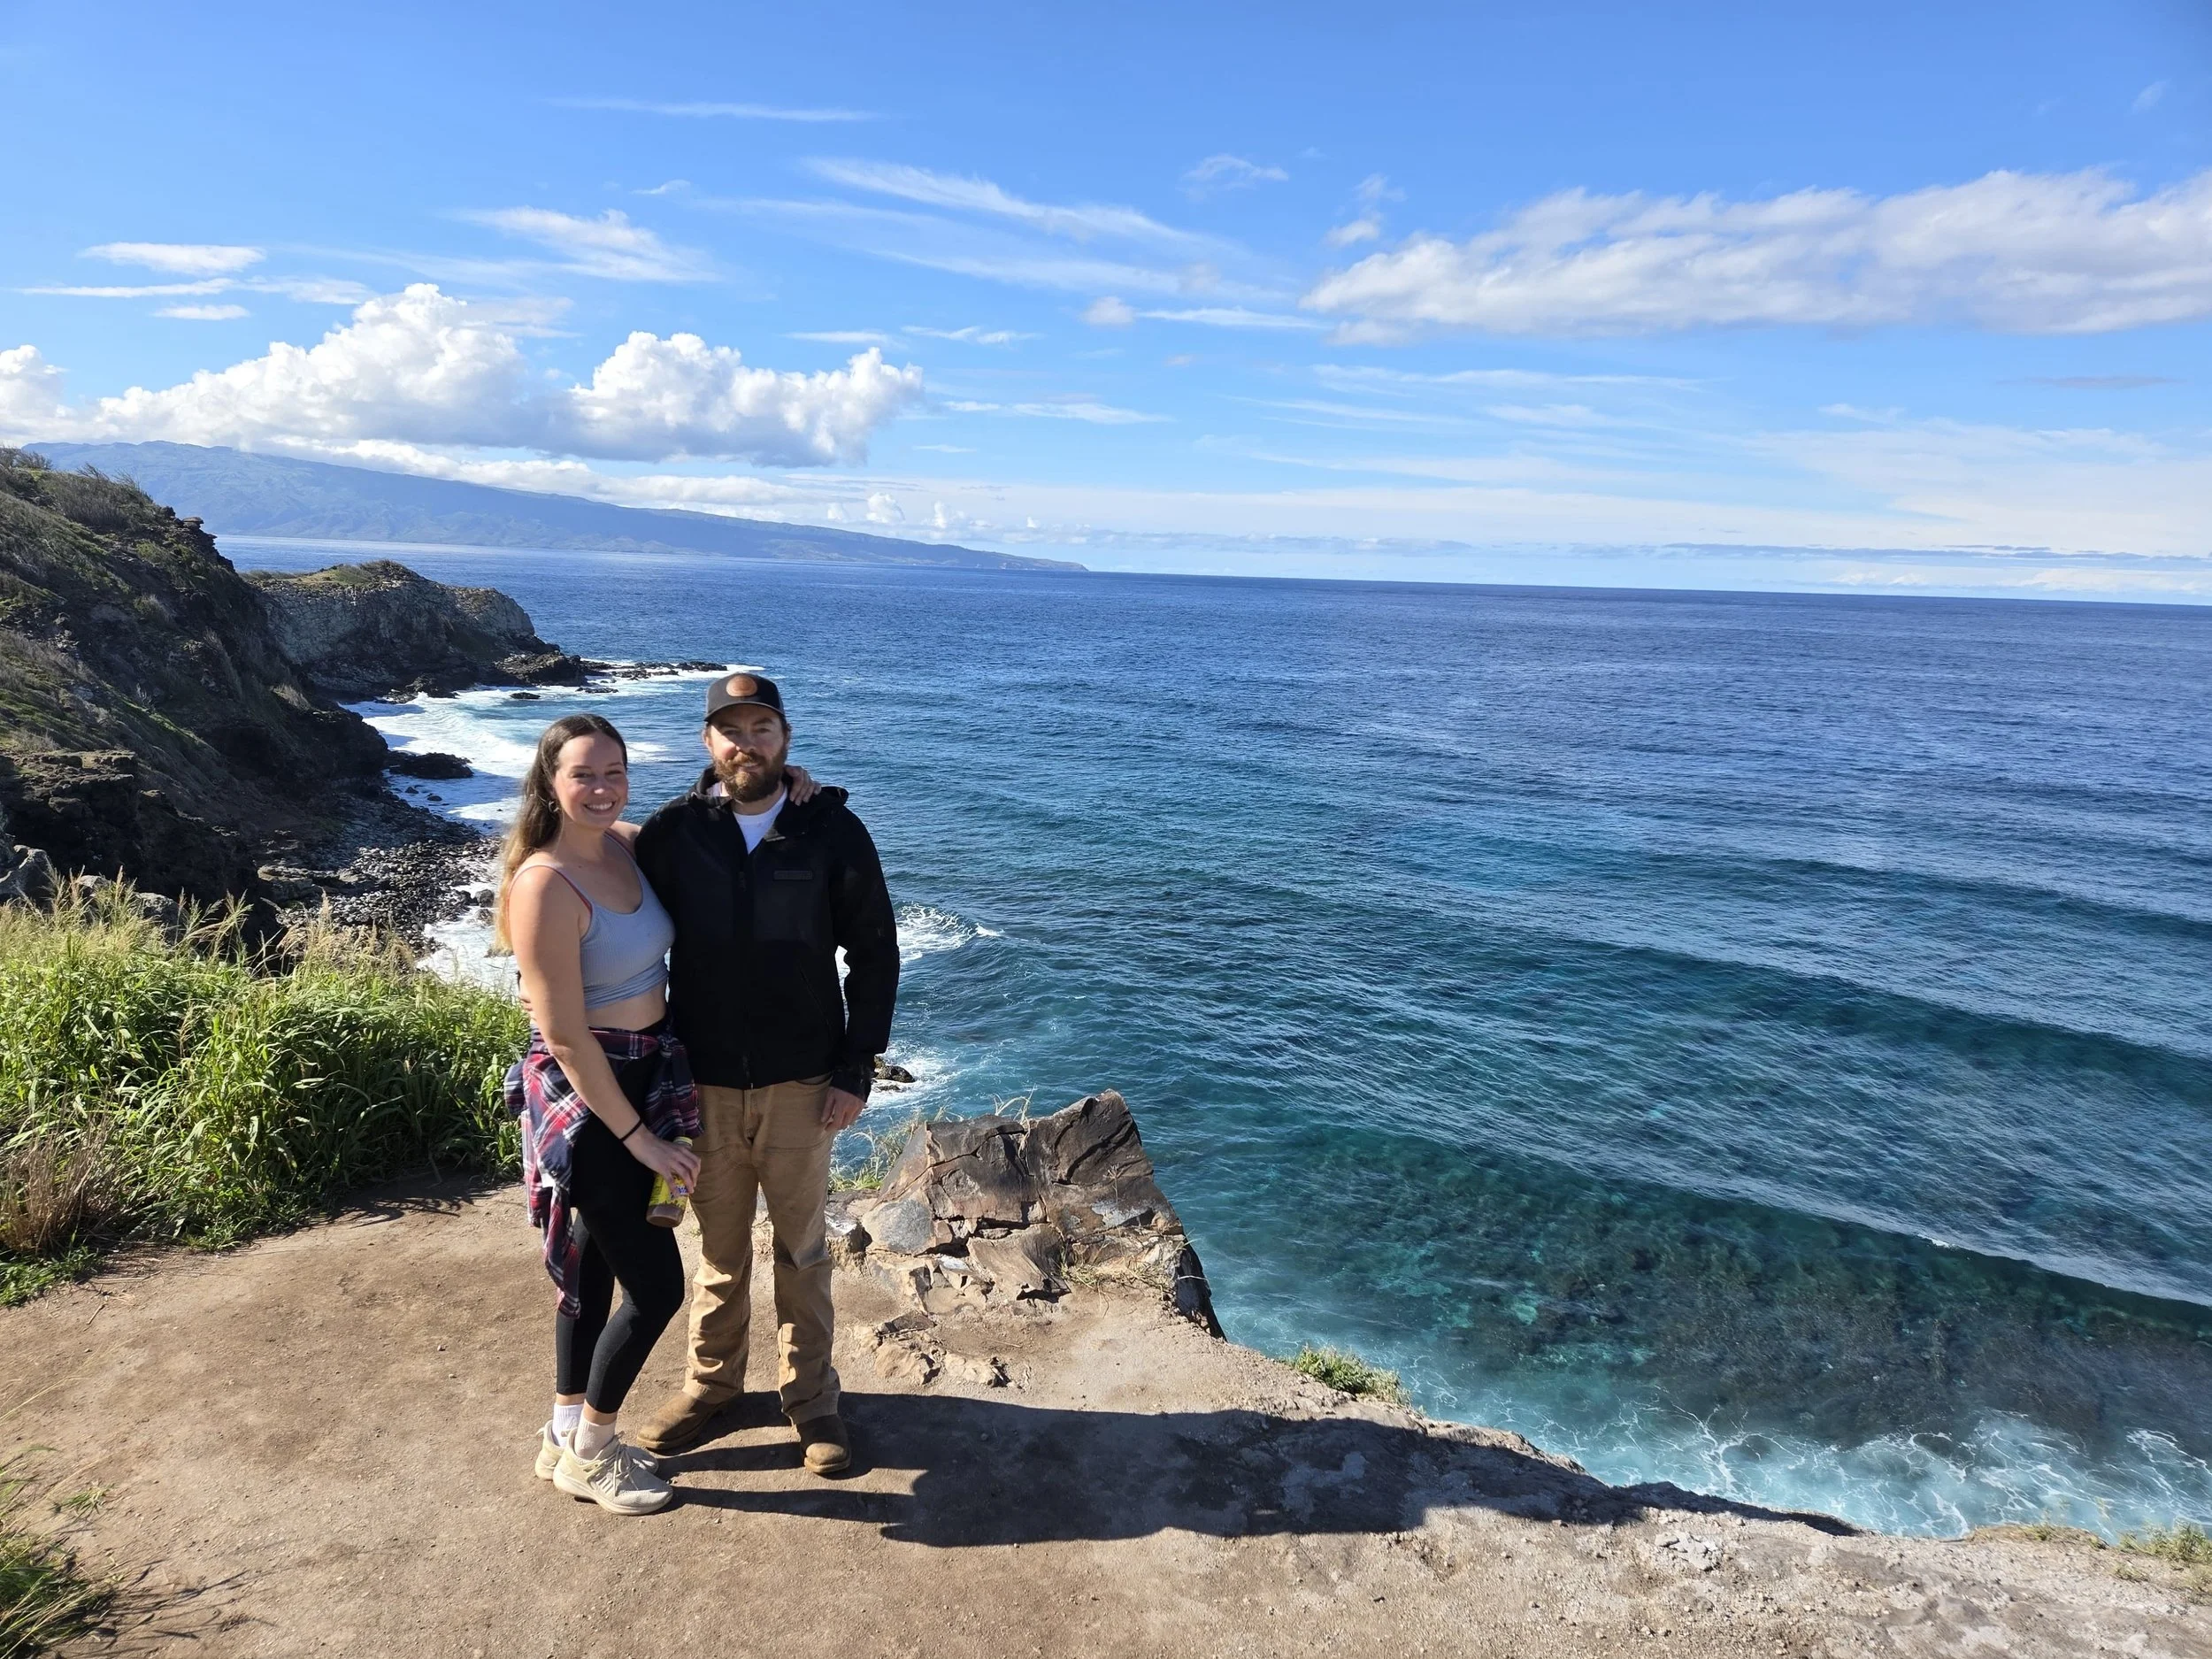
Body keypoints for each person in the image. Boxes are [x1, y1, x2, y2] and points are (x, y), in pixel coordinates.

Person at [496, 712, 816, 1513]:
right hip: (594, 1092)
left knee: (589, 1270)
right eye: (583, 775)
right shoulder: (541, 884)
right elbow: (565, 1035)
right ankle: (595, 1452)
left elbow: (713, 815)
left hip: (648, 1073)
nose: (601, 788)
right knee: (656, 1287)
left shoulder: (626, 844)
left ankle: (561, 1430)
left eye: (614, 771)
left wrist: (791, 786)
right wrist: (640, 1139)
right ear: (549, 784)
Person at [628, 672, 899, 1476]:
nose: (748, 743)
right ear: (708, 741)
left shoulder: (831, 830)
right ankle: (711, 1390)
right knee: (717, 1252)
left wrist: (856, 1067)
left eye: (763, 728)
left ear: (786, 737)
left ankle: (812, 1402)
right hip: (702, 1085)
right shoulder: (675, 833)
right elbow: (619, 911)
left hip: (802, 1085)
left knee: (804, 1250)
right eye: (732, 729)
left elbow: (875, 953)